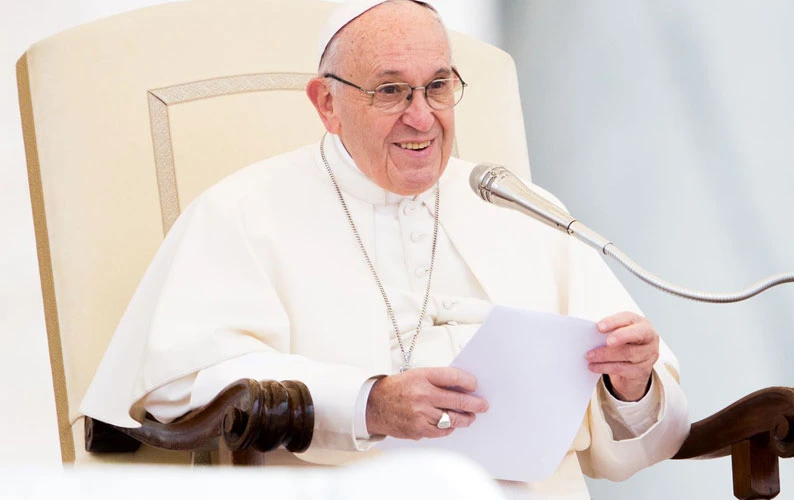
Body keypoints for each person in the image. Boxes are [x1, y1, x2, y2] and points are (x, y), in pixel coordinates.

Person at [81, 1, 690, 498]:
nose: (421, 119)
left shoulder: (520, 204)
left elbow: (634, 438)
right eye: (392, 91)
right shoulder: (242, 211)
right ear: (327, 104)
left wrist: (630, 384)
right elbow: (180, 383)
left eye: (437, 87)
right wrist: (367, 403)